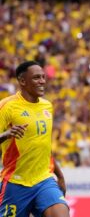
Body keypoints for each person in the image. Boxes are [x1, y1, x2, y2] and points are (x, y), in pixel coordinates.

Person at [0, 61, 69, 217]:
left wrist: (60, 175)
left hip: (44, 180)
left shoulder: (47, 106)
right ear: (22, 81)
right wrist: (5, 135)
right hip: (15, 183)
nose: (42, 81)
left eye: (43, 77)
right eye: (37, 78)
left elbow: (44, 146)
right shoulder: (7, 106)